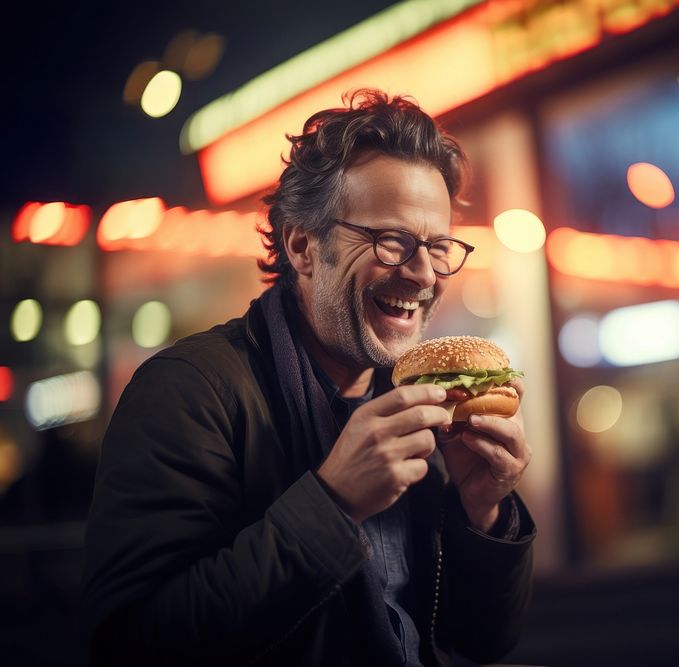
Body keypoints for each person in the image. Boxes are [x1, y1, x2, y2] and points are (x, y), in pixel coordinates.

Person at [83, 89, 535, 666]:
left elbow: (478, 641)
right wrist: (333, 504)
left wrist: (484, 510)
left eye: (439, 246)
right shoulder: (186, 390)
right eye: (392, 241)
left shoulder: (416, 397)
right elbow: (130, 644)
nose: (424, 273)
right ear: (302, 245)